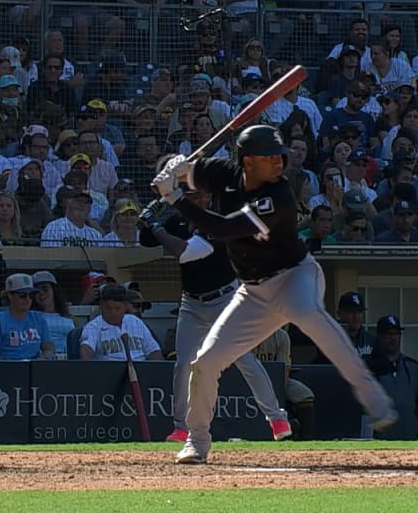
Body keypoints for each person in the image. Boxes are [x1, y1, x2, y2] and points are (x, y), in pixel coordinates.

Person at [151, 124, 396, 464]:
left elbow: (222, 229)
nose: (279, 163)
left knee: (306, 313)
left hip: (296, 276)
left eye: (279, 156)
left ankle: (370, 392)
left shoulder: (279, 197)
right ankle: (197, 439)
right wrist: (174, 167)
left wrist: (173, 196)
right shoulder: (224, 173)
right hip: (253, 292)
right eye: (269, 157)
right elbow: (186, 172)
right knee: (204, 363)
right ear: (247, 161)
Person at [140, 185, 292, 443]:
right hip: (191, 303)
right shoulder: (176, 221)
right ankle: (181, 427)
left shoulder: (216, 224)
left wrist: (155, 226)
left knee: (244, 359)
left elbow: (183, 251)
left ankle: (276, 418)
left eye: (204, 194)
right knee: (184, 363)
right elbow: (146, 240)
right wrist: (145, 220)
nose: (201, 199)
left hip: (225, 299)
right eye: (194, 196)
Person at [366, 316, 418, 440]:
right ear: (379, 336)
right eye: (388, 334)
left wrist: (416, 427)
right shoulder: (369, 366)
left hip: (407, 436)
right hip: (378, 437)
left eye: (396, 333)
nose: (392, 338)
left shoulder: (412, 366)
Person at [253, 327, 315, 439]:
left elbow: (285, 369)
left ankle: (305, 438)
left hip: (277, 381)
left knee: (305, 394)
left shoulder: (281, 336)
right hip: (248, 381)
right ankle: (288, 425)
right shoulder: (246, 334)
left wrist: (279, 388)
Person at [78, 284, 163, 361]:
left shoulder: (135, 322)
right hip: (110, 372)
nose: (112, 312)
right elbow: (86, 350)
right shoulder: (93, 326)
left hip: (140, 371)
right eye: (108, 308)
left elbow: (154, 350)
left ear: (125, 306)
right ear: (101, 306)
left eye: (117, 308)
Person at [0, 274, 55, 361]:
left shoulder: (38, 318)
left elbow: (49, 347)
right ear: (10, 295)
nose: (28, 300)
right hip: (8, 371)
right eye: (22, 295)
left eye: (31, 295)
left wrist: (43, 359)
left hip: (35, 370)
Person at [30, 270, 75, 359]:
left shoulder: (68, 317)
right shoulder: (31, 317)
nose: (41, 293)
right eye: (36, 291)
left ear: (54, 291)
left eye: (45, 288)